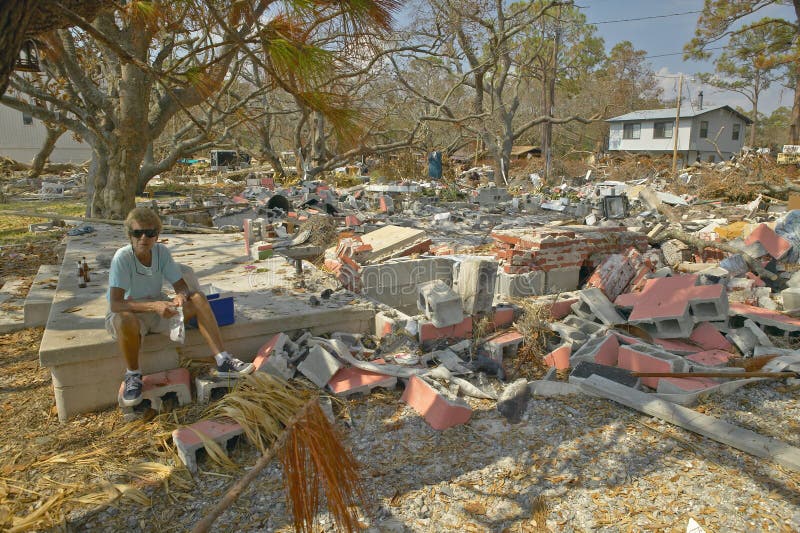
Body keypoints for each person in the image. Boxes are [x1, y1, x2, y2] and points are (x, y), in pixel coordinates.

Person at [108, 207, 253, 407]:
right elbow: (115, 303)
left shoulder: (161, 252)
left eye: (150, 233)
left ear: (157, 236)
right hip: (131, 313)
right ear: (129, 235)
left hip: (158, 309)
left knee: (198, 298)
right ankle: (133, 375)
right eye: (137, 233)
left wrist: (180, 297)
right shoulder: (122, 258)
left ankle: (223, 359)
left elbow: (182, 286)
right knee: (125, 318)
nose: (144, 238)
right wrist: (153, 306)